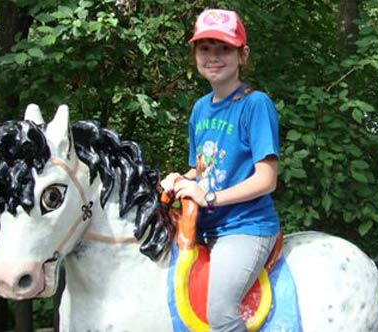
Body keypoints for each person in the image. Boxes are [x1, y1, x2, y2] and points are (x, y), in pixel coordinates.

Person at [160, 8, 280, 332]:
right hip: (203, 227)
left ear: (243, 55)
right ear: (195, 55)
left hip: (246, 227)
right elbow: (201, 168)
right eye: (205, 48)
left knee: (221, 312)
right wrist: (179, 179)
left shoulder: (255, 105)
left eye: (224, 48)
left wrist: (209, 197)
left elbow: (267, 179)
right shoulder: (200, 109)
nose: (213, 56)